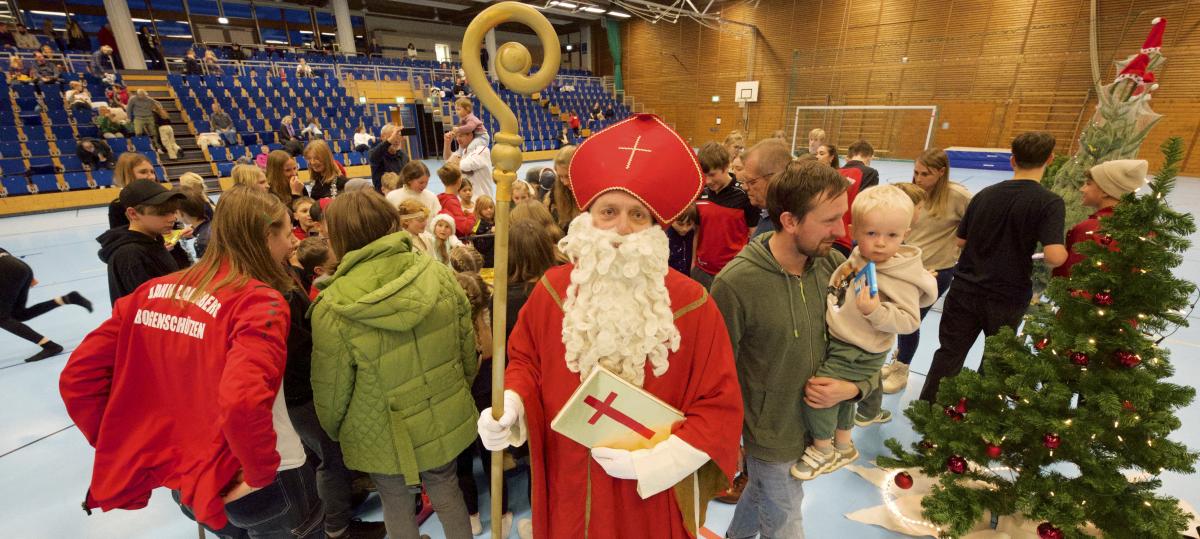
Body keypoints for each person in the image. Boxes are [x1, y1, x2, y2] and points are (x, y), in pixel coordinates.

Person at [477, 114, 742, 539]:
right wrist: (511, 406)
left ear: (656, 227)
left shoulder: (693, 305)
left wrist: (659, 462)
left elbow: (720, 408)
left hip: (648, 493)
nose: (621, 228)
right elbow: (525, 361)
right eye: (609, 211)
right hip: (568, 476)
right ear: (587, 218)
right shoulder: (552, 291)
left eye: (638, 215)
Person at [62, 186, 324, 538]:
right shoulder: (259, 302)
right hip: (258, 474)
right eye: (285, 230)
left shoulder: (152, 292)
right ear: (266, 235)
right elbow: (242, 400)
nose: (292, 242)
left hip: (189, 478)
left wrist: (142, 447)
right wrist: (259, 472)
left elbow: (79, 379)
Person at [712, 159, 867, 538]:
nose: (841, 230)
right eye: (829, 220)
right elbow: (718, 370)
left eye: (842, 217)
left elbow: (868, 341)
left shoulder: (835, 265)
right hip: (769, 433)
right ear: (789, 221)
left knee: (763, 498)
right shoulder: (735, 284)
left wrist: (856, 387)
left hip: (820, 426)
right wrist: (727, 437)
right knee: (785, 520)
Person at [310, 190, 477, 539]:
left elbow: (332, 386)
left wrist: (335, 428)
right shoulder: (440, 275)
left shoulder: (332, 306)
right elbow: (467, 350)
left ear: (338, 237)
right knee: (447, 488)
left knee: (394, 498)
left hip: (377, 423)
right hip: (439, 408)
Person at [790, 185, 938, 480]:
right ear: (853, 230)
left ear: (905, 233)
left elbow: (910, 321)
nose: (881, 243)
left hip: (857, 348)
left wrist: (875, 311)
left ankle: (822, 449)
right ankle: (843, 445)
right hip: (845, 339)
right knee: (842, 398)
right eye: (872, 234)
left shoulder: (898, 277)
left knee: (819, 394)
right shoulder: (861, 258)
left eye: (892, 236)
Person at [918, 132, 1068, 402]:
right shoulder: (1049, 202)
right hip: (1007, 296)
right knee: (995, 359)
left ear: (1012, 160)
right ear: (1050, 159)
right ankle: (978, 416)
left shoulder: (985, 195)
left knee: (949, 353)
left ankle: (928, 412)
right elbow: (1055, 256)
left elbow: (961, 240)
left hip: (965, 288)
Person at [868, 149, 972, 398]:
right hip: (905, 269)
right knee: (894, 318)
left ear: (941, 173)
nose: (918, 178)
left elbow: (973, 230)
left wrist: (954, 251)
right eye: (915, 172)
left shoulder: (958, 197)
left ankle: (902, 369)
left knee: (909, 322)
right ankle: (898, 359)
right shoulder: (914, 195)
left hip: (935, 271)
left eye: (925, 174)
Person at [96, 180, 187, 304]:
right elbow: (150, 308)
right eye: (162, 213)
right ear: (133, 213)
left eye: (173, 211)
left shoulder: (154, 239)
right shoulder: (130, 255)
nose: (173, 218)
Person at [1053, 159, 1147, 279]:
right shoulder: (1142, 228)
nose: (1082, 189)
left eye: (1088, 183)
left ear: (1105, 191)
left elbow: (1071, 277)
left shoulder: (1088, 229)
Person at [0, 247, 92, 363]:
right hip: (19, 265)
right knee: (18, 314)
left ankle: (50, 346)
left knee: (2, 318)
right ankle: (67, 299)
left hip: (6, 269)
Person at [692, 142, 758, 290]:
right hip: (701, 271)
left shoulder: (744, 195)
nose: (708, 181)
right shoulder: (700, 193)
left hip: (731, 274)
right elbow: (697, 231)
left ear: (726, 167)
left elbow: (753, 236)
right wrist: (693, 264)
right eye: (704, 175)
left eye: (712, 175)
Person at [741, 138, 792, 238]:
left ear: (775, 178)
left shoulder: (784, 225)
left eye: (751, 182)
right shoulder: (770, 213)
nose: (744, 187)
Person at [107, 152, 159, 228]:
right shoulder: (118, 206)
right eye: (143, 172)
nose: (151, 177)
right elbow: (120, 237)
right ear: (127, 175)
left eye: (152, 172)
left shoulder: (163, 198)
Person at [443, 128, 494, 201]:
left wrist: (454, 162)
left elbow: (465, 165)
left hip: (482, 203)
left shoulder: (482, 150)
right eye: (457, 136)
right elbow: (447, 160)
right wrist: (447, 143)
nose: (458, 139)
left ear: (470, 135)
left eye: (461, 136)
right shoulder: (464, 152)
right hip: (466, 203)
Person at [543, 145, 579, 233]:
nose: (565, 182)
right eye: (560, 177)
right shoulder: (554, 193)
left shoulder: (596, 195)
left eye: (568, 176)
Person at [437, 163, 475, 237]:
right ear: (459, 181)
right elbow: (465, 228)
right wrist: (472, 216)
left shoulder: (440, 197)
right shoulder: (451, 202)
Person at [369, 124, 411, 192]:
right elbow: (374, 156)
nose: (396, 140)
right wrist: (390, 140)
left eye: (398, 136)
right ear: (382, 137)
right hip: (384, 198)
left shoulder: (404, 156)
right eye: (393, 137)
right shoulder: (375, 154)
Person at [177, 192, 212, 260]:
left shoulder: (201, 242)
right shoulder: (213, 223)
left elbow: (207, 268)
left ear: (181, 213)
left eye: (174, 212)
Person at [666, 204, 697, 276]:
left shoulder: (692, 234)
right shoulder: (665, 237)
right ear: (671, 219)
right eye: (680, 224)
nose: (684, 229)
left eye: (689, 224)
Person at [470, 195, 495, 267]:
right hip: (485, 261)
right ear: (479, 210)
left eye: (491, 207)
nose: (489, 210)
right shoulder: (477, 224)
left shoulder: (497, 221)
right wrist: (490, 232)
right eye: (485, 208)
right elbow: (479, 246)